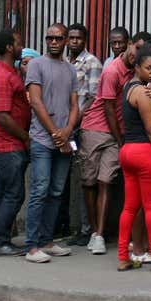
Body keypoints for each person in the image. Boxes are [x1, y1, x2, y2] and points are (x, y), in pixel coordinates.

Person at [24, 23, 80, 263]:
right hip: (42, 139)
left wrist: (66, 131)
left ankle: (47, 240)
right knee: (40, 189)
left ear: (66, 40)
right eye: (50, 38)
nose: (54, 42)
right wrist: (56, 132)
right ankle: (31, 245)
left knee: (56, 191)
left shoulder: (70, 70)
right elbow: (35, 102)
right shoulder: (36, 65)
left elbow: (75, 105)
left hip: (64, 140)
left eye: (58, 38)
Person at [79, 30, 135, 256]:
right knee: (89, 182)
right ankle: (94, 231)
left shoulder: (135, 70)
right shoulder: (112, 71)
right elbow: (109, 109)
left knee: (106, 181)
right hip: (95, 129)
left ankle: (100, 234)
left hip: (115, 135)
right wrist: (121, 140)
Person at [117, 48, 151, 271]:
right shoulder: (142, 92)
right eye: (148, 68)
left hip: (127, 151)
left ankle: (123, 257)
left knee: (129, 207)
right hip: (145, 152)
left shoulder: (129, 88)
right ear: (137, 67)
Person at [0, 32, 32, 257]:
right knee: (14, 194)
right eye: (18, 43)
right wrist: (25, 136)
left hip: (8, 144)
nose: (21, 47)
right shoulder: (2, 76)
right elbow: (3, 116)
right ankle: (0, 241)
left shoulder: (9, 71)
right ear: (8, 47)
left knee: (2, 192)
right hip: (8, 145)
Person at [63, 22, 102, 247]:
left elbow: (91, 98)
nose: (74, 41)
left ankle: (88, 229)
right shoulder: (65, 62)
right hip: (63, 126)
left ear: (85, 40)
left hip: (80, 127)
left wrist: (73, 124)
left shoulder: (91, 62)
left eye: (79, 38)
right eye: (72, 37)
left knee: (85, 179)